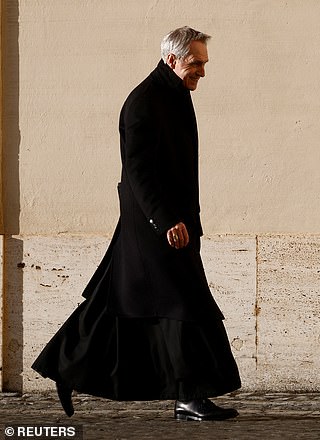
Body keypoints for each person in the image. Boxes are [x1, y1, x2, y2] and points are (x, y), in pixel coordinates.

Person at [32, 26, 241, 421]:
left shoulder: (173, 94)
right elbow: (138, 172)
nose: (202, 72)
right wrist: (164, 221)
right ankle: (189, 396)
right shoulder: (145, 101)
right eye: (195, 63)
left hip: (169, 222)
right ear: (171, 59)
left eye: (204, 64)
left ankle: (66, 368)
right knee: (184, 305)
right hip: (156, 226)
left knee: (116, 305)